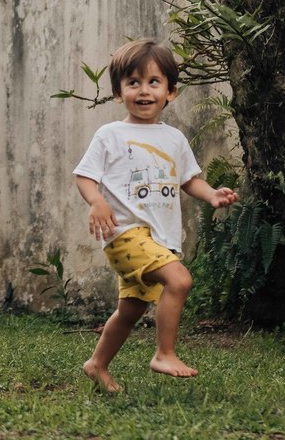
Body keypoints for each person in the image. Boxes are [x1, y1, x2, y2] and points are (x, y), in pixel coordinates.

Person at [73, 40, 238, 393]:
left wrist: (211, 194)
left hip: (159, 238)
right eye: (133, 82)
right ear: (119, 93)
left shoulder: (174, 139)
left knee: (131, 310)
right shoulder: (110, 135)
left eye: (153, 82)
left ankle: (97, 364)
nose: (144, 91)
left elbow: (189, 179)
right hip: (124, 233)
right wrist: (96, 201)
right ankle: (164, 353)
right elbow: (85, 175)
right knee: (179, 280)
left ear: (171, 92)